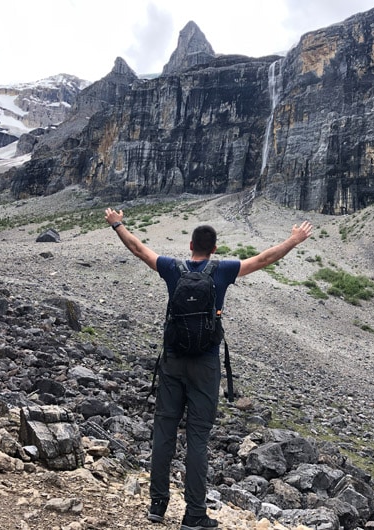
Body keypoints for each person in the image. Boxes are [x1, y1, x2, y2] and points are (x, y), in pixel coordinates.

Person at [104, 207, 313, 530]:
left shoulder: (172, 268)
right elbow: (263, 259)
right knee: (198, 438)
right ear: (214, 249)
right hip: (205, 363)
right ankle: (194, 514)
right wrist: (294, 240)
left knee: (164, 430)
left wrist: (117, 224)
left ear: (190, 246)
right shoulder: (223, 270)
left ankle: (157, 506)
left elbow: (137, 248)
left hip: (173, 360)